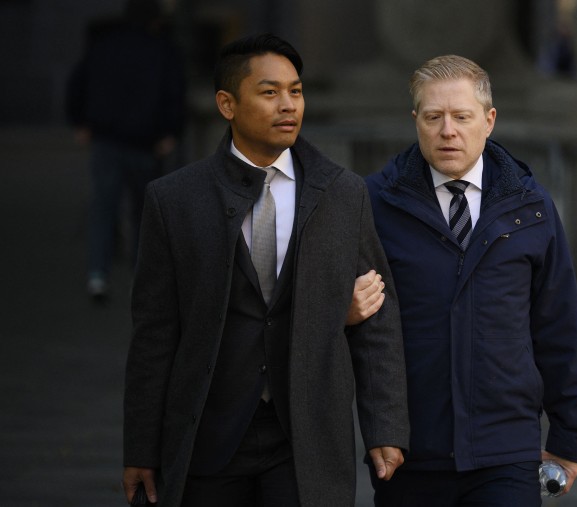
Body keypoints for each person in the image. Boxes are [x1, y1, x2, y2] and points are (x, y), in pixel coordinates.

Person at [122, 33, 409, 507]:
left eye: (296, 91)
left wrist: (386, 426)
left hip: (304, 437)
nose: (288, 105)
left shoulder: (342, 193)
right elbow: (154, 333)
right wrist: (140, 446)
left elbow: (377, 318)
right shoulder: (174, 199)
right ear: (227, 104)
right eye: (269, 92)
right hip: (208, 436)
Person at [355, 55, 577, 506]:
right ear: (416, 121)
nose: (448, 130)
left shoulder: (531, 208)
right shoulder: (374, 205)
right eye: (434, 117)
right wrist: (380, 426)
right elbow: (363, 335)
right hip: (409, 449)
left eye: (462, 117)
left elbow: (557, 325)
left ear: (489, 120)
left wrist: (570, 435)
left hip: (505, 448)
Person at [66, 0, 186, 300]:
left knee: (103, 208)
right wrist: (171, 132)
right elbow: (174, 93)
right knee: (143, 214)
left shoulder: (104, 45)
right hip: (147, 142)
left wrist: (80, 122)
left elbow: (77, 83)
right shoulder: (163, 50)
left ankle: (97, 276)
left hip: (106, 140)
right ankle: (141, 277)